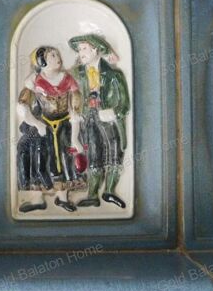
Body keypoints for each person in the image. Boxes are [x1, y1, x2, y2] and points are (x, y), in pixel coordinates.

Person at [15, 46, 83, 213]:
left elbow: (75, 106)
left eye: (57, 54)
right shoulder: (36, 81)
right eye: (52, 55)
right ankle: (37, 199)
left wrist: (75, 136)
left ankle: (63, 198)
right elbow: (22, 105)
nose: (57, 57)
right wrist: (36, 124)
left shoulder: (67, 79)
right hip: (44, 126)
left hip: (64, 126)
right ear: (42, 62)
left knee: (64, 159)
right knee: (40, 158)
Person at [68, 33, 130, 209]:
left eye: (84, 48)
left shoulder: (114, 75)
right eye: (79, 50)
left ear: (95, 49)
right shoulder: (76, 74)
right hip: (88, 118)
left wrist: (114, 112)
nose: (81, 53)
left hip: (108, 120)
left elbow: (125, 104)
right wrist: (75, 115)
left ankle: (110, 191)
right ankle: (92, 194)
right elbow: (71, 97)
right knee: (93, 153)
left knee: (114, 151)